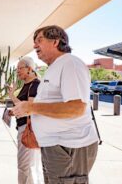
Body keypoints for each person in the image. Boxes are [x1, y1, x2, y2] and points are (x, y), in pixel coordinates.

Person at [12, 25, 99, 184]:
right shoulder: (55, 67)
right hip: (57, 146)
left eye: (39, 40)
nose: (34, 45)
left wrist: (31, 107)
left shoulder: (70, 64)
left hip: (69, 147)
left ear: (55, 42)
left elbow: (76, 107)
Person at [7, 56, 42, 184]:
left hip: (28, 129)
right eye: (16, 70)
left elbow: (29, 108)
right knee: (26, 165)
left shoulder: (35, 84)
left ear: (30, 69)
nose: (17, 72)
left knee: (24, 165)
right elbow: (22, 106)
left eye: (20, 69)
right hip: (23, 127)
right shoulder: (27, 84)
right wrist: (13, 109)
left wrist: (13, 98)